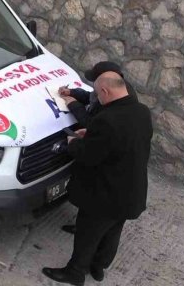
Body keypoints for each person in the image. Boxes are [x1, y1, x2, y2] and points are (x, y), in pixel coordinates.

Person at [42, 72, 153, 285]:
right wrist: (93, 135)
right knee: (112, 231)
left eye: (97, 93)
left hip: (105, 193)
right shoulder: (141, 111)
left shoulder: (107, 119)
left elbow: (89, 155)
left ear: (105, 91)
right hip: (131, 191)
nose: (96, 98)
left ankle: (75, 273)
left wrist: (73, 143)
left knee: (88, 233)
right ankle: (98, 267)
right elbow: (121, 142)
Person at [58, 61, 137, 235]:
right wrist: (72, 93)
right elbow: (91, 96)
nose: (94, 86)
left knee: (94, 221)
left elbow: (93, 124)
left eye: (96, 81)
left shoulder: (116, 106)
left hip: (106, 178)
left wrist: (72, 104)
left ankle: (84, 245)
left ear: (105, 85)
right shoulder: (113, 89)